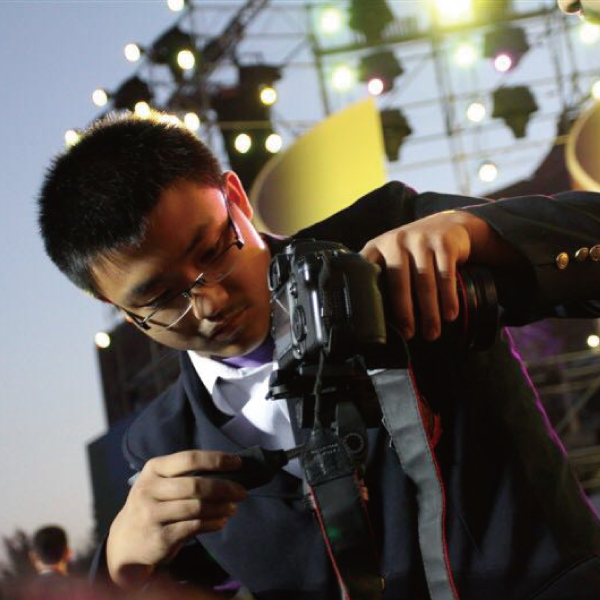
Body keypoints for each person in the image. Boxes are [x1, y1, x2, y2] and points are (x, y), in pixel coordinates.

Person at [38, 112, 600, 599]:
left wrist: (479, 233)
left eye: (212, 250)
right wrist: (120, 565)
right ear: (114, 305)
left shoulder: (386, 229)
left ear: (236, 197)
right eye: (161, 298)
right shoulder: (161, 445)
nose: (209, 303)